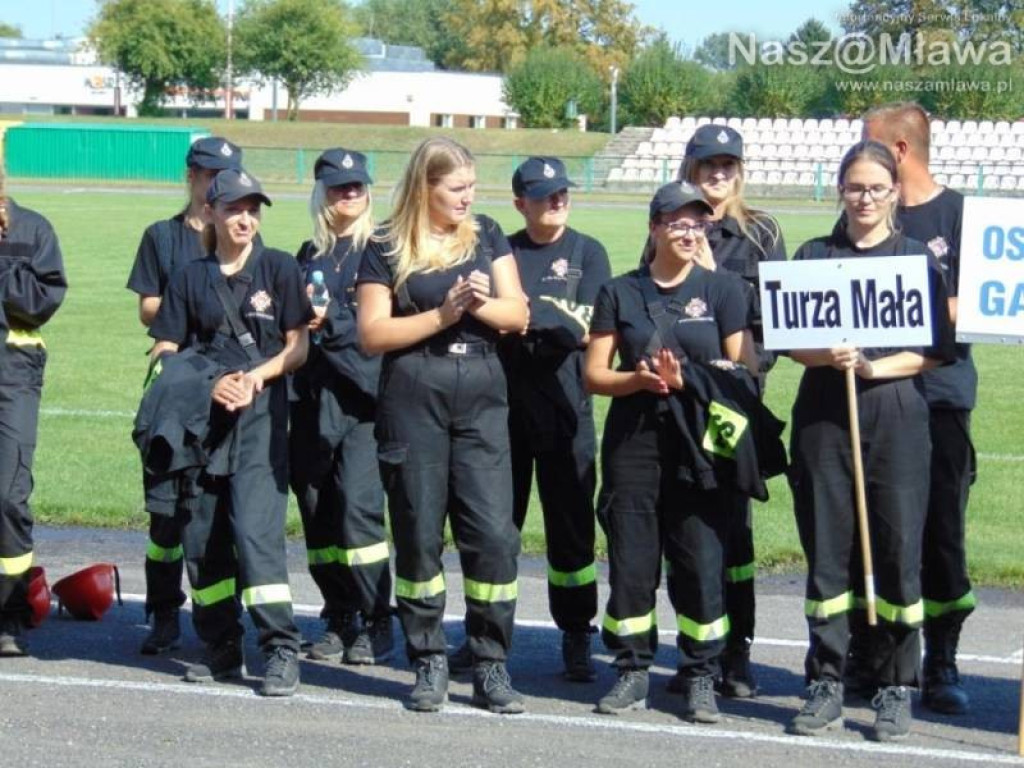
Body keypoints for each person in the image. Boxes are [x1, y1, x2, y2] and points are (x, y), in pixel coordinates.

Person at [785, 141, 954, 742]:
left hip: (895, 417)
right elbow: (785, 341)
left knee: (896, 551)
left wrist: (875, 367)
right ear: (840, 190)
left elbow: (935, 350)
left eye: (876, 188)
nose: (864, 198)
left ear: (893, 194)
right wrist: (824, 354)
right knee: (828, 553)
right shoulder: (813, 255)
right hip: (825, 420)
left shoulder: (914, 258)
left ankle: (893, 683)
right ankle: (827, 679)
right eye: (855, 187)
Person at [585, 182, 771, 723]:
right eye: (677, 222)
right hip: (635, 444)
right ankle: (631, 669)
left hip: (702, 445)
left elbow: (746, 373)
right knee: (633, 562)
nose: (689, 232)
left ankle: (699, 674)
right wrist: (638, 380)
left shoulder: (725, 290)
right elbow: (595, 375)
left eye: (698, 223)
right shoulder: (620, 292)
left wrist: (689, 378)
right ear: (654, 228)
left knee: (700, 562)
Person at [357, 137, 529, 714]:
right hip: (414, 395)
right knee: (418, 533)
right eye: (456, 189)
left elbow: (518, 314)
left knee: (493, 538)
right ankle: (427, 658)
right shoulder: (385, 244)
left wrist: (476, 306)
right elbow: (374, 334)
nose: (467, 198)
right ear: (424, 187)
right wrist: (442, 314)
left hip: (481, 397)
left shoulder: (487, 234)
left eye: (472, 187)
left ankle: (490, 662)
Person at [148, 168, 311, 697]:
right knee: (204, 536)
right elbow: (166, 349)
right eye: (235, 208)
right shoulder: (190, 276)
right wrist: (212, 382)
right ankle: (219, 645)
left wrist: (253, 379)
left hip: (262, 419)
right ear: (212, 212)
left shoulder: (280, 267)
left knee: (257, 536)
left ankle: (280, 649)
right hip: (203, 422)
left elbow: (298, 346)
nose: (246, 218)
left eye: (253, 209)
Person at [861, 102, 977, 715]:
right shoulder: (869, 209)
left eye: (868, 143)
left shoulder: (962, 216)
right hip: (873, 397)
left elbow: (983, 306)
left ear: (899, 151)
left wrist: (913, 304)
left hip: (939, 400)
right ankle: (873, 654)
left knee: (941, 536)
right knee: (872, 531)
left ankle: (943, 660)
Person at [667, 124, 787, 699]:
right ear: (690, 168)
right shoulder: (672, 223)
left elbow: (777, 327)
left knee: (732, 533)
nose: (718, 175)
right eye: (708, 166)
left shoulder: (760, 232)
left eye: (727, 166)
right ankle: (698, 656)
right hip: (680, 403)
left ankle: (737, 654)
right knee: (688, 531)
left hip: (732, 404)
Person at [491, 156, 610, 681]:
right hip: (503, 414)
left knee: (572, 534)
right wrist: (544, 317)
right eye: (543, 195)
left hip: (566, 413)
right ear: (520, 203)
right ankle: (489, 635)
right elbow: (498, 321)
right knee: (496, 531)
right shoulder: (505, 251)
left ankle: (577, 632)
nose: (556, 200)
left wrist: (525, 313)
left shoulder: (588, 252)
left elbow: (585, 327)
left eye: (562, 191)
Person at [126, 136, 244, 655]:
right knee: (165, 513)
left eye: (228, 174)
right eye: (210, 173)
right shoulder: (162, 236)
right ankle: (164, 613)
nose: (218, 182)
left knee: (221, 510)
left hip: (226, 385)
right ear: (191, 176)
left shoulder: (240, 239)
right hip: (177, 384)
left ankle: (221, 623)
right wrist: (186, 299)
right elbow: (148, 308)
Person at [290, 148, 394, 665]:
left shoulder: (384, 250)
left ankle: (378, 618)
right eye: (338, 187)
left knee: (358, 512)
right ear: (321, 193)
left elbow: (376, 336)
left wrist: (328, 324)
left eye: (356, 186)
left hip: (363, 404)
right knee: (318, 515)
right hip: (311, 402)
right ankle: (339, 614)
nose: (349, 195)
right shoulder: (305, 255)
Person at [0, 162, 68, 657]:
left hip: (12, 373)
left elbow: (41, 301)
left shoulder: (33, 229)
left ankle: (10, 613)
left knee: (8, 496)